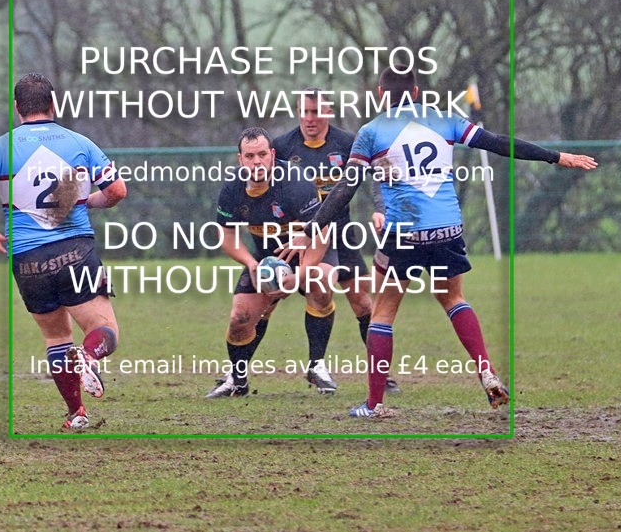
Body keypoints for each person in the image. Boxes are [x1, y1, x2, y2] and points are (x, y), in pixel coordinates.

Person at [298, 65, 598, 418]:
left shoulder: (371, 132)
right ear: (415, 92)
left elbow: (345, 189)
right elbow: (499, 143)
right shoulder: (445, 120)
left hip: (405, 234)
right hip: (447, 230)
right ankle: (485, 369)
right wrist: (556, 156)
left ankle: (375, 404)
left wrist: (310, 228)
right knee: (453, 297)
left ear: (381, 94)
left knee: (382, 312)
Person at [0, 72, 127, 430]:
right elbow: (117, 191)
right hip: (74, 250)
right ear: (54, 104)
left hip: (27, 259)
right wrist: (88, 202)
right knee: (105, 330)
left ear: (17, 108)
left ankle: (77, 415)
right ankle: (88, 356)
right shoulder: (79, 142)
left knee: (55, 338)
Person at [272, 88, 400, 395]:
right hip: (302, 235)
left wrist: (381, 210)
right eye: (305, 111)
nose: (310, 118)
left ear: (328, 113)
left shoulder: (348, 143)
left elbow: (378, 176)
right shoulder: (283, 147)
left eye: (317, 112)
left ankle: (381, 373)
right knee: (270, 300)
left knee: (361, 301)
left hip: (341, 232)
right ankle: (241, 373)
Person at [205, 127, 335, 397]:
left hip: (308, 250)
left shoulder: (296, 182)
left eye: (263, 154)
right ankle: (237, 380)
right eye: (250, 156)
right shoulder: (232, 188)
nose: (257, 162)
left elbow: (322, 235)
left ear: (272, 154)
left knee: (321, 282)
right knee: (240, 318)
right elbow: (227, 236)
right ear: (240, 159)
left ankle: (317, 364)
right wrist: (252, 265)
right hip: (266, 257)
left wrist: (299, 277)